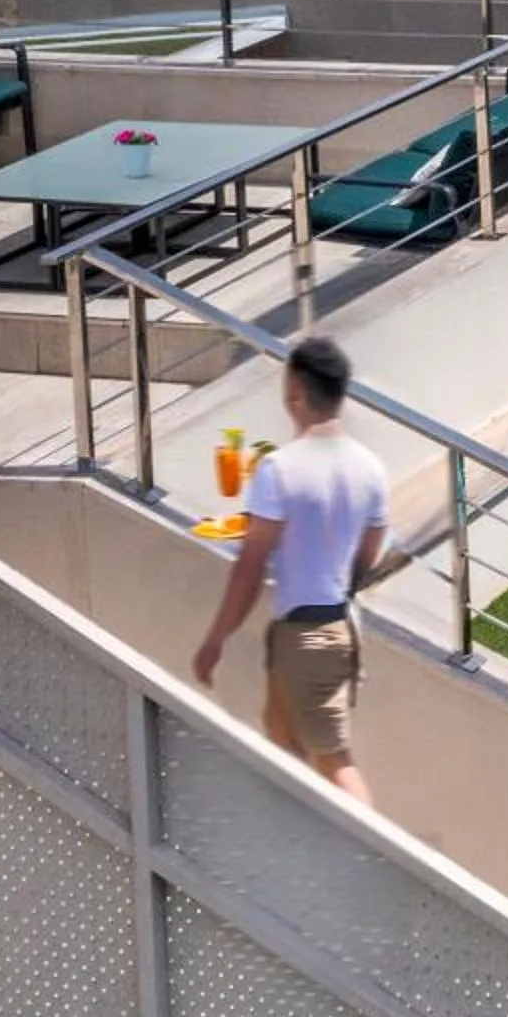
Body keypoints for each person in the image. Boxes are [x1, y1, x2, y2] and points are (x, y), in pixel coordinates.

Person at [194, 335, 390, 802]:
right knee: (280, 740)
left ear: (296, 390)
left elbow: (250, 566)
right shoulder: (369, 468)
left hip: (309, 634)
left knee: (334, 761)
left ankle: (374, 860)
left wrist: (216, 639)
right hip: (335, 626)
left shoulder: (279, 469)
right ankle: (302, 843)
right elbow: (370, 552)